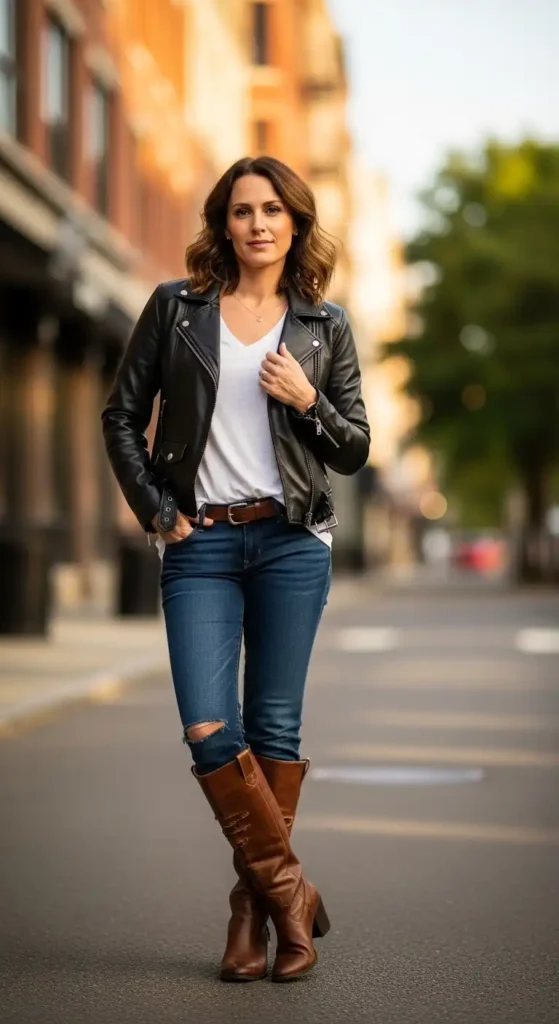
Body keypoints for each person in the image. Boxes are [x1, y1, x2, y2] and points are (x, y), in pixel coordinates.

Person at [102, 156, 370, 983]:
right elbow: (120, 416)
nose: (257, 224)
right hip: (200, 547)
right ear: (223, 223)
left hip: (291, 544)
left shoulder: (325, 326)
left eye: (272, 210)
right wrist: (155, 507)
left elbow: (354, 447)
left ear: (295, 224)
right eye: (241, 210)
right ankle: (290, 894)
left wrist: (307, 401)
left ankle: (249, 914)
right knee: (210, 727)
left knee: (276, 731)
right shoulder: (175, 309)